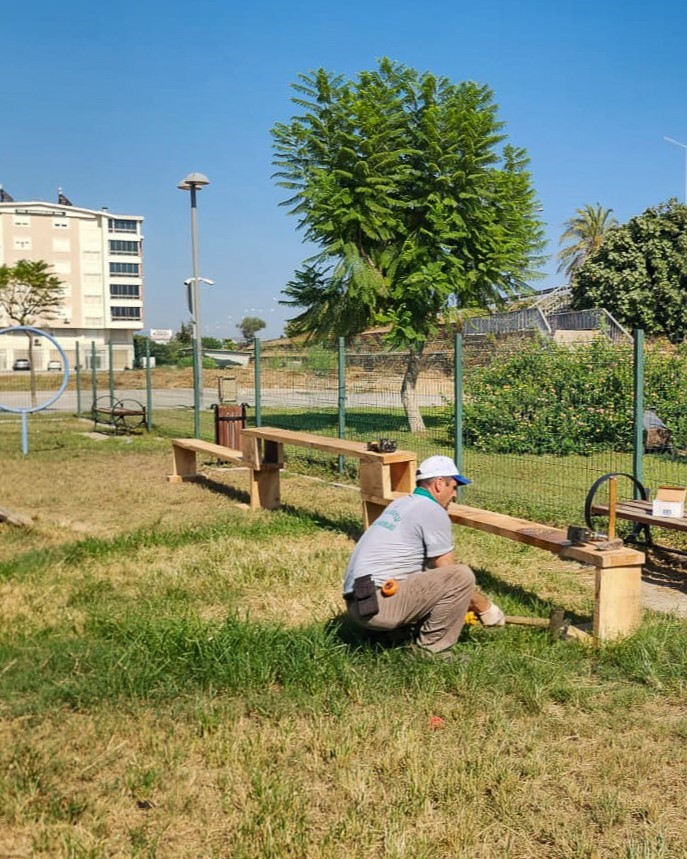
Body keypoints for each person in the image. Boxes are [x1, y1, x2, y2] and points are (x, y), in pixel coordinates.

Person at [343, 455, 505, 656]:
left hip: (359, 605)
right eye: (454, 487)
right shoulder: (432, 510)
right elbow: (449, 573)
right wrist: (485, 607)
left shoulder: (400, 505)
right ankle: (432, 651)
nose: (454, 495)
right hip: (381, 605)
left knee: (426, 572)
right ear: (439, 484)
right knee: (461, 576)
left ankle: (387, 636)